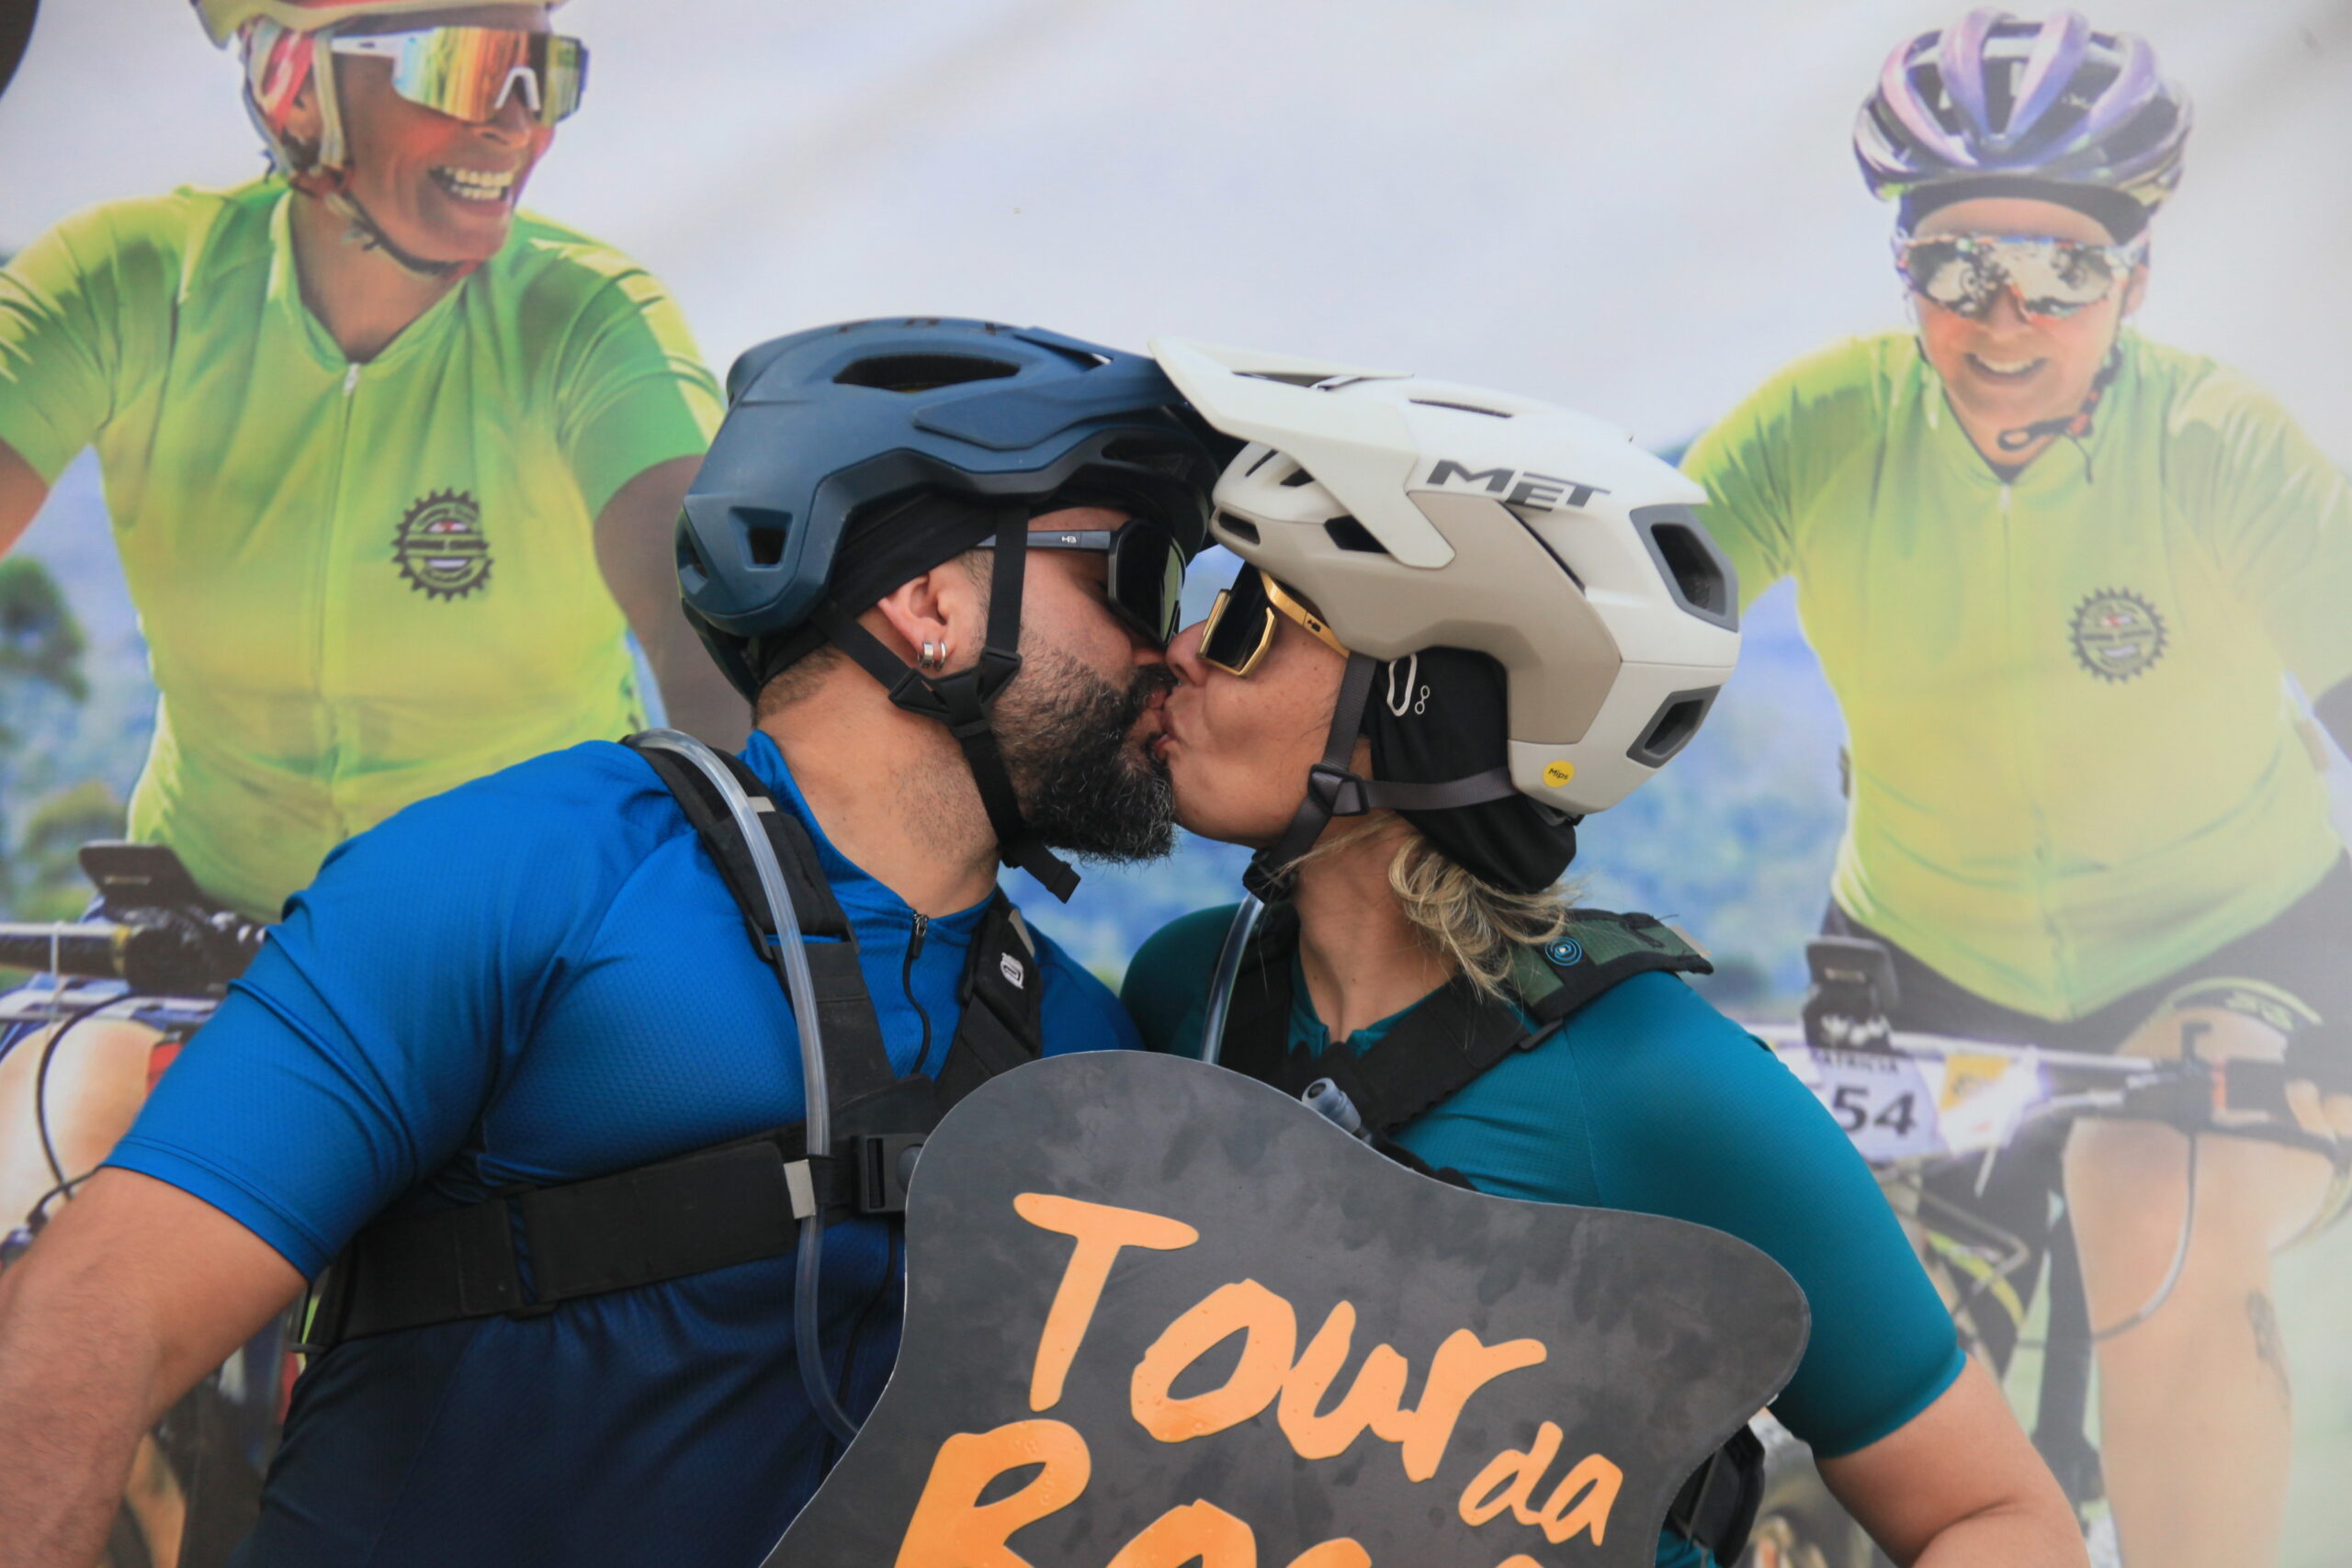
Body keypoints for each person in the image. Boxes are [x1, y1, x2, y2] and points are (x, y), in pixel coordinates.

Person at [0, 316, 1223, 1568]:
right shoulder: (529, 873)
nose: (1172, 649)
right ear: (933, 602)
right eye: (1136, 580)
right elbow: (93, 1318)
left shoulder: (1087, 1042)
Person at [1121, 340, 2086, 1567]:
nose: (1184, 649)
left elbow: (1999, 1518)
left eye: (1252, 615)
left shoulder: (1658, 1082)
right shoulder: (1186, 991)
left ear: (1418, 699)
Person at [1678, 13, 2352, 1566]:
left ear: (2138, 278)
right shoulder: (1825, 427)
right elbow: (1601, 641)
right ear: (1903, 269)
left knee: (2148, 1192)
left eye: (2062, 269)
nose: (2005, 318)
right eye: (1957, 266)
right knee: (1885, 1389)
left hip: (2233, 950)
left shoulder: (2216, 446)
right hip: (1933, 973)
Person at [0, 0, 737, 923]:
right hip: (198, 927)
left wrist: (758, 908)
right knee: (52, 1076)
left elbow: (706, 621)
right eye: (462, 69)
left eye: (542, 76)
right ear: (293, 86)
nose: (516, 122)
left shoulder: (590, 318)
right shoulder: (130, 281)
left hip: (529, 935)